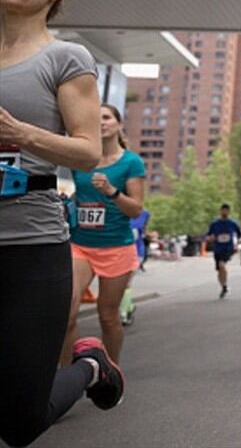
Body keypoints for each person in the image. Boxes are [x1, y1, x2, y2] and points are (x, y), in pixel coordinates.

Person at [0, 0, 125, 444]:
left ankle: (92, 366)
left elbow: (88, 151)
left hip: (30, 243)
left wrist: (19, 132)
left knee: (21, 421)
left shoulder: (65, 57)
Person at [62, 104, 146, 365]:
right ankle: (67, 377)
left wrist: (112, 191)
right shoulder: (82, 160)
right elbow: (82, 196)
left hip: (115, 248)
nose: (101, 123)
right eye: (95, 119)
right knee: (67, 314)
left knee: (108, 316)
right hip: (81, 246)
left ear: (119, 124)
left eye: (107, 117)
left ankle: (110, 374)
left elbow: (136, 209)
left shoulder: (131, 162)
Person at [207, 203, 241, 299]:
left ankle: (225, 285)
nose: (225, 212)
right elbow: (209, 235)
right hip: (217, 249)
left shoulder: (232, 223)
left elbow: (239, 234)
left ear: (229, 212)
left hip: (228, 248)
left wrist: (237, 243)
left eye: (226, 210)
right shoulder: (214, 224)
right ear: (220, 211)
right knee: (219, 270)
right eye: (223, 210)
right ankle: (224, 286)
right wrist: (210, 238)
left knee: (222, 265)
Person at [121, 208, 150, 326]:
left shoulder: (143, 214)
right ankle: (128, 307)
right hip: (118, 252)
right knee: (123, 284)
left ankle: (124, 313)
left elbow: (143, 231)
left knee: (126, 283)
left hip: (135, 253)